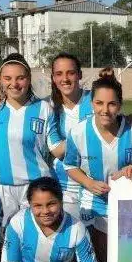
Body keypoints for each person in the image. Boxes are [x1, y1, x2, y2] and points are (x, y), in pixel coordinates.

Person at [64, 68, 132, 262]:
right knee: (100, 260)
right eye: (99, 103)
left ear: (120, 105)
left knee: (126, 261)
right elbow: (70, 166)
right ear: (91, 103)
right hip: (94, 204)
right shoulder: (79, 132)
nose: (105, 110)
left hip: (128, 205)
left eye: (111, 104)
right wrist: (89, 183)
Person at [0, 53, 64, 224]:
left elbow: (56, 147)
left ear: (28, 79)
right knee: (0, 240)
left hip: (36, 187)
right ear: (0, 80)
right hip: (0, 188)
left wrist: (85, 132)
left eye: (20, 78)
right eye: (8, 78)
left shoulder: (43, 108)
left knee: (34, 239)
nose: (14, 84)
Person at [49, 52, 93, 220]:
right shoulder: (49, 107)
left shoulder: (95, 99)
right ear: (53, 78)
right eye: (59, 74)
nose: (65, 78)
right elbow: (57, 150)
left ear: (79, 75)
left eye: (71, 73)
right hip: (64, 189)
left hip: (96, 186)